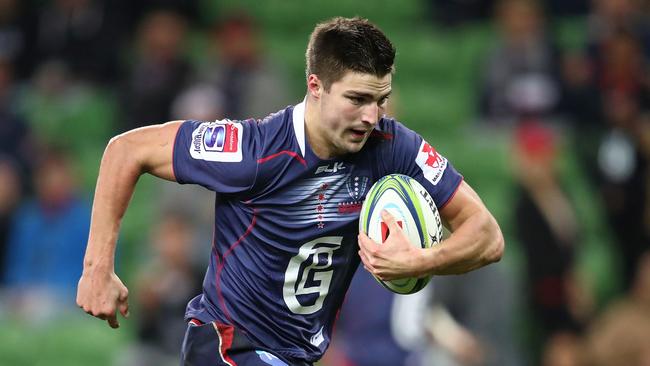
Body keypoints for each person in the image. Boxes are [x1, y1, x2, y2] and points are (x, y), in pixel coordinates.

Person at [76, 17, 504, 366]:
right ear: (316, 87)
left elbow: (487, 235)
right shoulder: (254, 149)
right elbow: (126, 150)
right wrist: (98, 267)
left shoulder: (393, 148)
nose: (372, 116)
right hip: (227, 347)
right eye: (357, 99)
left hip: (293, 357)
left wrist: (422, 259)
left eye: (382, 99)